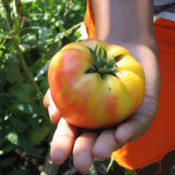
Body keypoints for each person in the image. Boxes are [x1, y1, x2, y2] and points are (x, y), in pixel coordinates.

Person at [43, 0, 175, 173]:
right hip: (116, 14)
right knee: (137, 142)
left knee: (164, 126)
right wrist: (125, 33)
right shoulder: (125, 69)